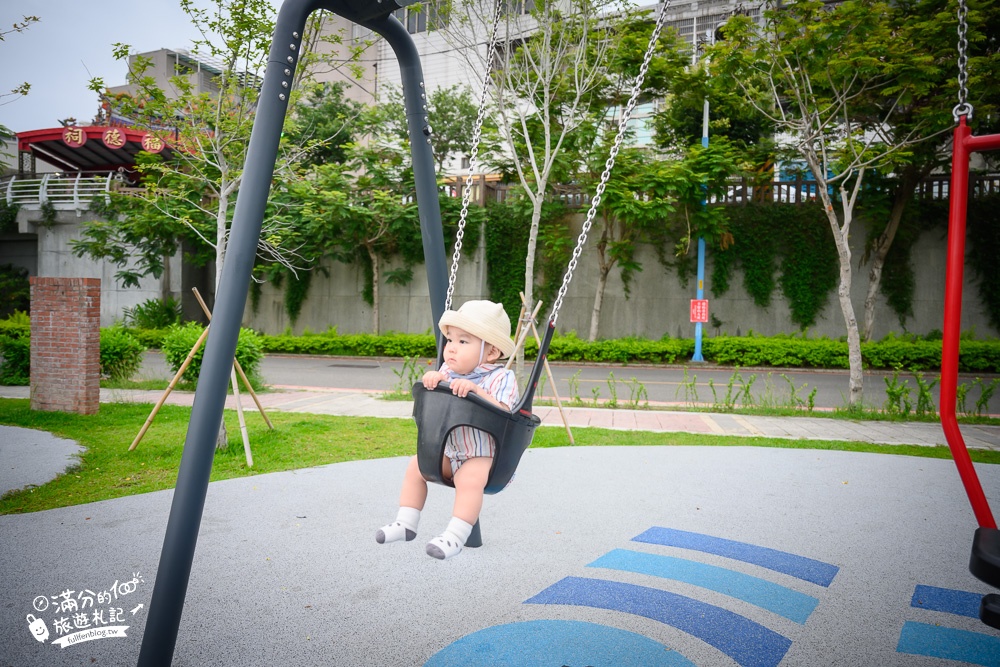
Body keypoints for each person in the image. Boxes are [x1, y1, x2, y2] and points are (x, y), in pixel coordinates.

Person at [376, 300, 518, 560]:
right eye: (450, 340)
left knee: (469, 479)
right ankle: (406, 522)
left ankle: (455, 535)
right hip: (450, 454)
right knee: (416, 465)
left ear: (491, 353)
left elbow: (505, 411)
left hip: (485, 458)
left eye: (463, 342)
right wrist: (433, 380)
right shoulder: (446, 371)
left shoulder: (500, 377)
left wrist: (477, 391)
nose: (451, 348)